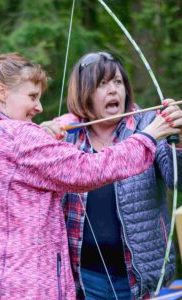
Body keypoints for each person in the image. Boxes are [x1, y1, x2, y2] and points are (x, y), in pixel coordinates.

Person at [0, 52, 182, 300]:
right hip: (26, 285)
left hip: (2, 279)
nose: (39, 107)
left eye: (118, 82)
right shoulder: (28, 135)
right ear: (2, 93)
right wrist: (149, 137)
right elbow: (88, 170)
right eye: (32, 96)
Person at [41, 51, 182, 299]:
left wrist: (178, 140)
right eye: (102, 84)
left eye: (117, 82)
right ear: (84, 93)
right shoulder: (67, 133)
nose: (113, 90)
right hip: (83, 277)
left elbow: (178, 179)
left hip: (141, 277)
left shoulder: (150, 125)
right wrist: (40, 135)